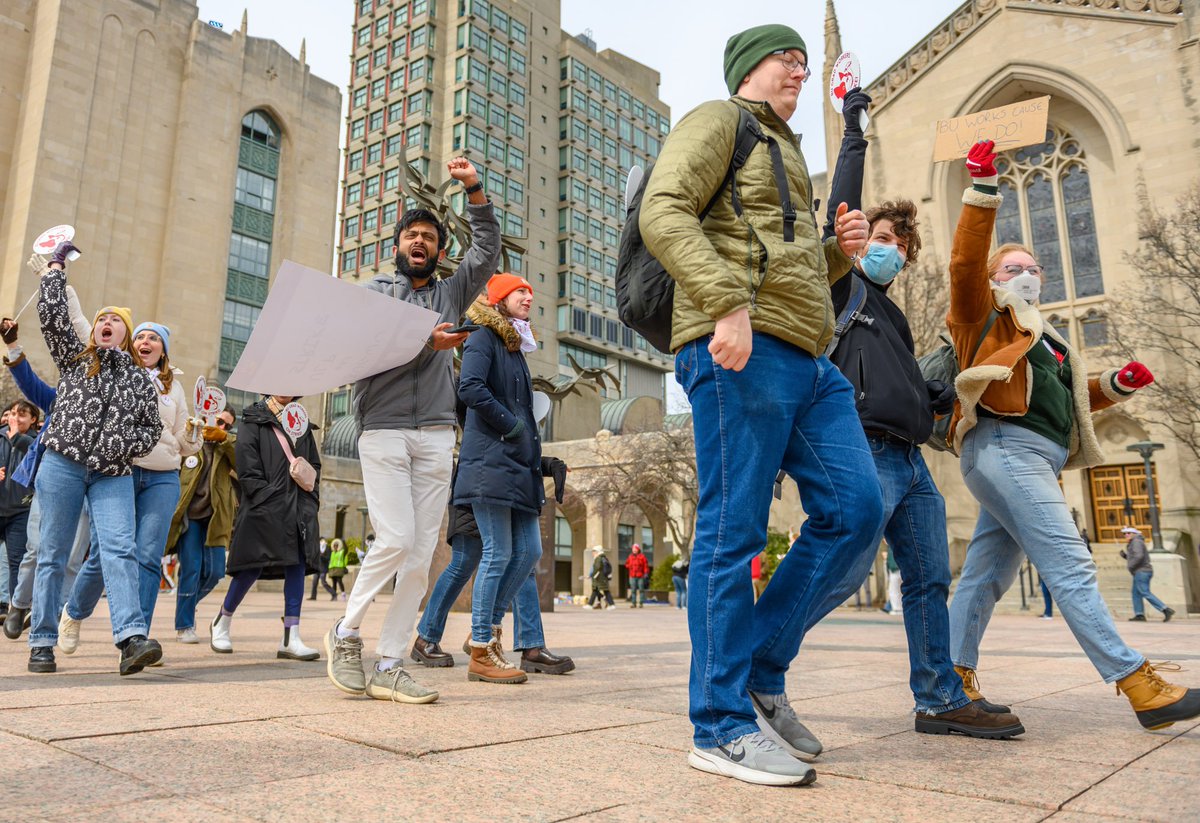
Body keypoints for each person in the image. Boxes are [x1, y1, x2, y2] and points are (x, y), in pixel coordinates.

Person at [639, 24, 879, 786]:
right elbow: (665, 209)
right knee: (730, 531)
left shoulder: (790, 156)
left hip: (809, 357)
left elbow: (785, 262)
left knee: (857, 508)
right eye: (788, 58)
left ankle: (760, 669)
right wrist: (723, 304)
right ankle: (718, 725)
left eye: (806, 63)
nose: (801, 71)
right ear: (749, 67)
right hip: (737, 346)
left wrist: (839, 248)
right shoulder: (719, 120)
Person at [946, 140, 1200, 732]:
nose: (1029, 274)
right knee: (1070, 562)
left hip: (1029, 453)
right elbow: (962, 267)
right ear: (993, 278)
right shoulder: (981, 314)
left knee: (986, 574)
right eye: (1015, 267)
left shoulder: (1045, 332)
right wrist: (982, 191)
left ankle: (948, 675)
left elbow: (1060, 402)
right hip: (1006, 449)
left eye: (1035, 267)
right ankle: (1138, 683)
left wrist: (1116, 384)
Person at [325, 157, 501, 705]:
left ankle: (390, 662)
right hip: (382, 428)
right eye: (411, 235)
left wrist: (473, 187)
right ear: (397, 245)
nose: (419, 242)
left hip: (436, 434)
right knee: (396, 539)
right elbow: (368, 353)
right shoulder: (374, 292)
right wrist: (430, 343)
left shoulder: (452, 292)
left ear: (440, 251)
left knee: (422, 555)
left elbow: (487, 248)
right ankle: (346, 633)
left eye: (429, 236)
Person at [27, 242, 163, 675]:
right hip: (63, 464)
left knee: (118, 551)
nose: (107, 323)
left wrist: (126, 446)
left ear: (124, 334)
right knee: (53, 552)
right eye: (102, 319)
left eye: (115, 321)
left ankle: (131, 639)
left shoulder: (141, 381)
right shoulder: (75, 358)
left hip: (113, 474)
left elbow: (151, 429)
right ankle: (42, 641)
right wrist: (55, 266)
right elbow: (51, 315)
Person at [60, 321, 197, 653]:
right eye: (141, 337)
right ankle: (74, 612)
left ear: (163, 350)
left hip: (163, 476)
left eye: (154, 339)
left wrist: (194, 433)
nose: (146, 342)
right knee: (108, 554)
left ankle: (137, 640)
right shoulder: (117, 373)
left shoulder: (174, 388)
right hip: (121, 471)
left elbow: (184, 444)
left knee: (148, 556)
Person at [452, 274, 548, 685]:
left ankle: (486, 632)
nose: (528, 296)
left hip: (518, 465)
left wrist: (539, 457)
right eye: (519, 291)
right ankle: (481, 649)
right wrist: (509, 427)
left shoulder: (514, 346)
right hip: (490, 461)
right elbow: (469, 388)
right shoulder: (482, 337)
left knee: (529, 551)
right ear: (499, 299)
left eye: (529, 291)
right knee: (497, 552)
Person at [0, 312, 92, 640]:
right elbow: (29, 383)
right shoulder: (60, 399)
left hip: (92, 484)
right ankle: (18, 604)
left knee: (71, 560)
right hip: (51, 482)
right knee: (38, 550)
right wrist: (12, 344)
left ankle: (55, 613)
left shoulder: (115, 404)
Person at [210, 395, 321, 661]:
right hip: (265, 507)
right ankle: (222, 620)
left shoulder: (302, 422)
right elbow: (247, 468)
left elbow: (314, 464)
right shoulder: (252, 419)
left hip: (298, 507)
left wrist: (310, 499)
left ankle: (291, 636)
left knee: (296, 565)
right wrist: (268, 497)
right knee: (251, 566)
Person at [165, 407, 237, 643]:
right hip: (190, 517)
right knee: (192, 568)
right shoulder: (190, 442)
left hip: (216, 518)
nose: (220, 425)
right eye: (217, 420)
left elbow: (244, 461)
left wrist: (225, 440)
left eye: (226, 424)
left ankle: (187, 604)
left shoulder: (226, 447)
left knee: (216, 571)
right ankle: (184, 625)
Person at [0, 399, 37, 607]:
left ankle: (16, 608)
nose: (15, 418)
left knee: (17, 561)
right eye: (13, 413)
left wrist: (17, 438)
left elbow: (37, 459)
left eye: (22, 414)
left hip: (21, 510)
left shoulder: (36, 441)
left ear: (33, 419)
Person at [1121, 527, 1174, 622]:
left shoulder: (1136, 541)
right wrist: (1126, 556)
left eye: (1128, 533)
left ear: (1134, 533)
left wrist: (1130, 566)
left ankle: (1165, 609)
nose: (1126, 535)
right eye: (1124, 534)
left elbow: (1139, 556)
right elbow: (1136, 556)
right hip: (1140, 571)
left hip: (1142, 571)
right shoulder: (1134, 542)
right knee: (1136, 593)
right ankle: (1139, 614)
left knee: (1144, 592)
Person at [310, 536, 334, 601]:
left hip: (323, 568)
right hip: (316, 568)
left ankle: (334, 594)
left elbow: (328, 558)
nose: (322, 542)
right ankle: (313, 596)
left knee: (323, 582)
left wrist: (322, 556)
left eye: (323, 541)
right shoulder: (317, 548)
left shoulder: (328, 549)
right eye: (321, 541)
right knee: (314, 582)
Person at [626, 543, 649, 608]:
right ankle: (633, 603)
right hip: (632, 575)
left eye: (635, 549)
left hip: (640, 575)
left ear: (638, 549)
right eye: (633, 548)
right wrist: (629, 566)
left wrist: (646, 573)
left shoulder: (642, 557)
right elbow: (626, 564)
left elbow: (645, 566)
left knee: (641, 589)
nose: (634, 550)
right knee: (633, 590)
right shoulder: (630, 556)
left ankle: (641, 603)